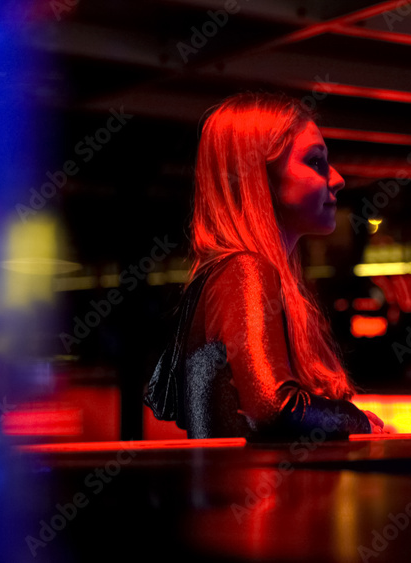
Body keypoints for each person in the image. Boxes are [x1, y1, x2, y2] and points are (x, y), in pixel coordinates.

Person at [145, 91, 385, 439]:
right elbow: (274, 408)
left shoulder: (231, 271)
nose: (337, 178)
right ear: (260, 175)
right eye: (316, 162)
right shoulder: (245, 269)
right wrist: (357, 422)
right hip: (252, 494)